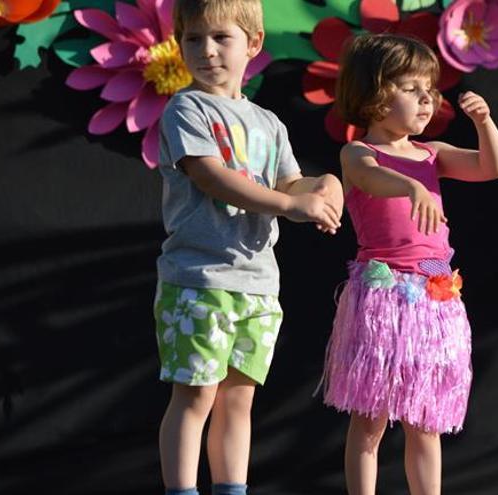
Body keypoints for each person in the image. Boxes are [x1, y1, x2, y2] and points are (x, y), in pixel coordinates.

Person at [154, 0, 343, 493]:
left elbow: (293, 181)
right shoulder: (186, 108)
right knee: (195, 398)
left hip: (258, 286)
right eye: (194, 39)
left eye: (221, 38)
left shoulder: (268, 123)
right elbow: (212, 177)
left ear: (253, 45)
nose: (207, 51)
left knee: (238, 402)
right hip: (199, 280)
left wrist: (325, 187)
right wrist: (289, 205)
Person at [320, 33, 498, 495]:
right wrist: (412, 188)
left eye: (430, 90)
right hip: (383, 298)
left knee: (427, 419)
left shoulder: (433, 154)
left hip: (435, 296)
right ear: (374, 94)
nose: (427, 100)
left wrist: (485, 123)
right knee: (371, 419)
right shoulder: (358, 153)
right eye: (412, 89)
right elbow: (370, 178)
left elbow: (492, 167)